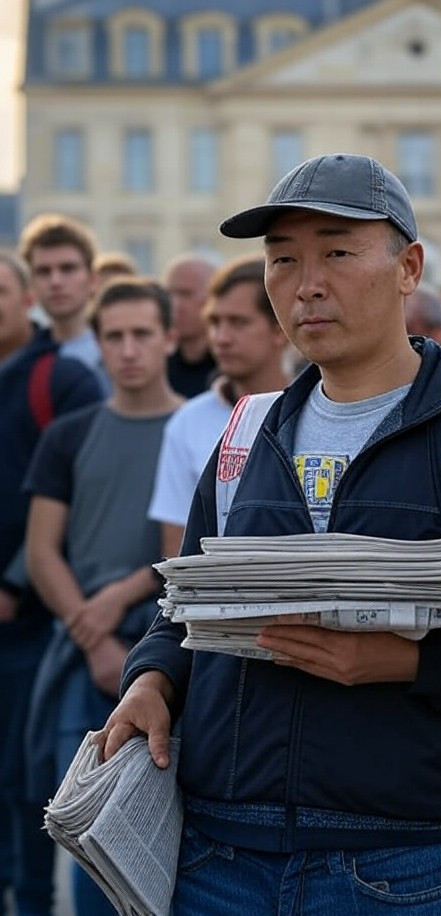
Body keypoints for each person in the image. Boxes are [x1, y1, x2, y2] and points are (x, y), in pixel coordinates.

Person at [98, 153, 441, 916]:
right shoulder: (246, 433)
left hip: (409, 862)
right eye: (283, 260)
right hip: (221, 855)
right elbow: (188, 601)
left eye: (336, 252)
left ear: (409, 268)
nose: (306, 282)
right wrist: (151, 678)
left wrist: (410, 663)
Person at [24, 278, 183, 916]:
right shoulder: (68, 434)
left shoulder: (202, 425)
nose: (129, 350)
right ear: (97, 343)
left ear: (170, 337)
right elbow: (42, 551)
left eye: (142, 333)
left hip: (168, 647)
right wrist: (93, 633)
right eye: (113, 336)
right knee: (87, 837)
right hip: (80, 651)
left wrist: (125, 598)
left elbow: (194, 547)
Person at [0, 250, 103, 916]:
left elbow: (77, 497)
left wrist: (12, 585)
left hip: (34, 622)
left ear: (24, 297)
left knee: (29, 781)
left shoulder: (59, 378)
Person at [149, 256, 289, 557]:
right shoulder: (187, 422)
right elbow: (176, 549)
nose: (222, 338)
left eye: (238, 323)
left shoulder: (320, 412)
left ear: (279, 330)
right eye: (215, 322)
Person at [18, 213, 110, 392]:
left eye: (68, 269)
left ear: (92, 279)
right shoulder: (21, 365)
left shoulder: (125, 350)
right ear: (32, 283)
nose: (56, 282)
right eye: (44, 271)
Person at [164, 253, 218, 397]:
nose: (174, 304)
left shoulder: (230, 364)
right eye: (170, 294)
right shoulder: (159, 364)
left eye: (185, 294)